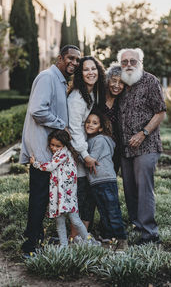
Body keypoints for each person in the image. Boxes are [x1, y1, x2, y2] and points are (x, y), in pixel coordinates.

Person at [20, 45, 81, 255]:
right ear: (60, 58)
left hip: (50, 152)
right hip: (42, 152)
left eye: (77, 60)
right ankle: (30, 246)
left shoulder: (59, 80)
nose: (73, 63)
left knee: (43, 197)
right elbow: (38, 110)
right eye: (70, 58)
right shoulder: (48, 77)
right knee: (38, 198)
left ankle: (38, 239)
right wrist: (60, 125)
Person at [117, 48, 166, 245]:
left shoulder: (150, 81)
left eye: (132, 61)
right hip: (125, 147)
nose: (128, 65)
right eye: (124, 62)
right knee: (129, 189)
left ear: (140, 62)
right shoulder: (120, 83)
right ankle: (137, 225)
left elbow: (160, 112)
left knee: (144, 188)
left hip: (147, 145)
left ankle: (150, 234)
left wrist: (143, 133)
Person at [29, 129, 100, 247]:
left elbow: (51, 166)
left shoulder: (63, 153)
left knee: (75, 220)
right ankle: (64, 245)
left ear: (64, 145)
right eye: (52, 145)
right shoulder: (60, 153)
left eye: (58, 145)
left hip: (66, 195)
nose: (54, 148)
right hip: (59, 194)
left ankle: (88, 242)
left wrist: (35, 163)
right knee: (60, 220)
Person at [68, 56, 106, 239]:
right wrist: (85, 154)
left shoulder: (92, 93)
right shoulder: (77, 98)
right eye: (86, 69)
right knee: (81, 196)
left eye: (93, 68)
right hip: (76, 154)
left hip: (85, 152)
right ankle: (75, 238)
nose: (90, 72)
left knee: (88, 195)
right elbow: (74, 130)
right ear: (80, 74)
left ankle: (83, 235)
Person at [85, 109, 127, 248]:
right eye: (88, 122)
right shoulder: (91, 139)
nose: (90, 124)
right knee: (103, 210)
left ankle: (121, 239)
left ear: (101, 127)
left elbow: (91, 160)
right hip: (96, 181)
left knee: (112, 210)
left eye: (95, 123)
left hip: (106, 180)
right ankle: (109, 237)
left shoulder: (101, 140)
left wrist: (78, 153)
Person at [104, 64, 124, 173]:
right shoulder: (98, 98)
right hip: (97, 149)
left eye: (121, 82)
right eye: (114, 80)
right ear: (108, 80)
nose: (117, 85)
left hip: (116, 151)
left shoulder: (122, 102)